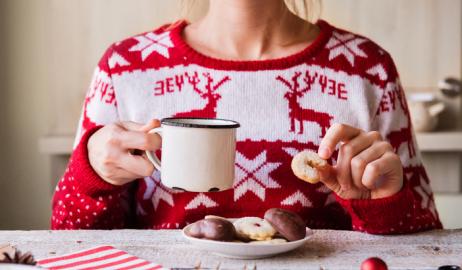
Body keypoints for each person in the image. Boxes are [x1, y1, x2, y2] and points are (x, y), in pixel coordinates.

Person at [51, 0, 442, 233]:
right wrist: (93, 175)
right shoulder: (125, 68)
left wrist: (383, 204)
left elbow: (425, 246)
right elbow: (72, 240)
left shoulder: (366, 68)